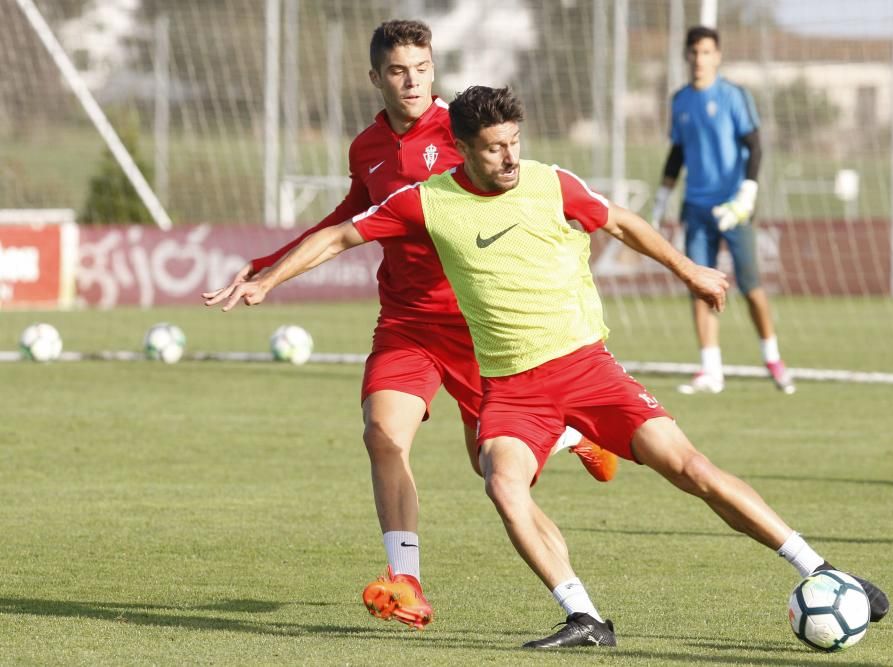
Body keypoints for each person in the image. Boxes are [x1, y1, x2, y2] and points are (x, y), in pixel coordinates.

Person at [212, 85, 890, 648]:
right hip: (512, 389)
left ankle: (825, 569)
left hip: (587, 369)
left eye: (514, 143)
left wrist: (688, 270)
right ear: (466, 152)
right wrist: (270, 279)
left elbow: (620, 222)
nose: (509, 157)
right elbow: (339, 231)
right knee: (502, 484)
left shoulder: (550, 184)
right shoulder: (428, 201)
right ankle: (585, 615)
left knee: (692, 470)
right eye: (494, 148)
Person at [202, 20, 618, 631]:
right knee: (381, 432)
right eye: (399, 71)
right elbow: (349, 217)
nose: (413, 81)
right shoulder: (366, 147)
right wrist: (268, 267)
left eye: (422, 68)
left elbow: (522, 198)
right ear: (376, 78)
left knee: (494, 473)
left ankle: (568, 442)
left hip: (482, 325)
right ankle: (406, 579)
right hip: (407, 322)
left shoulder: (463, 133)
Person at [650, 25, 794, 395]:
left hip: (734, 208)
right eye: (694, 52)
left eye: (707, 52)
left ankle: (773, 358)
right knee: (699, 285)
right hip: (695, 208)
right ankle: (711, 370)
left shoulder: (734, 96)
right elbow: (677, 153)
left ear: (718, 56)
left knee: (751, 287)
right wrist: (662, 200)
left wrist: (747, 194)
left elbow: (755, 145)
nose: (700, 59)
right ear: (687, 56)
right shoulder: (680, 100)